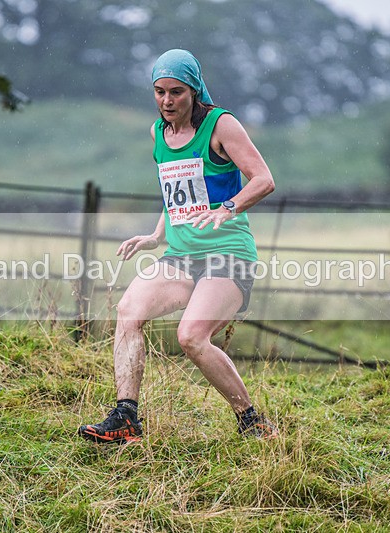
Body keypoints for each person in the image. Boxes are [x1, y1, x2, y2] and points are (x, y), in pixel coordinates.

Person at [78, 49, 277, 444]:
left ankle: (251, 420)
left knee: (190, 338)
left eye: (177, 92)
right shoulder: (158, 134)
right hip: (181, 256)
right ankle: (126, 418)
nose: (167, 102)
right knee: (129, 310)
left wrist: (228, 207)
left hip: (229, 256)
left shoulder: (222, 125)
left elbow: (263, 179)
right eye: (159, 92)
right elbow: (176, 194)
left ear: (195, 90)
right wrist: (156, 235)